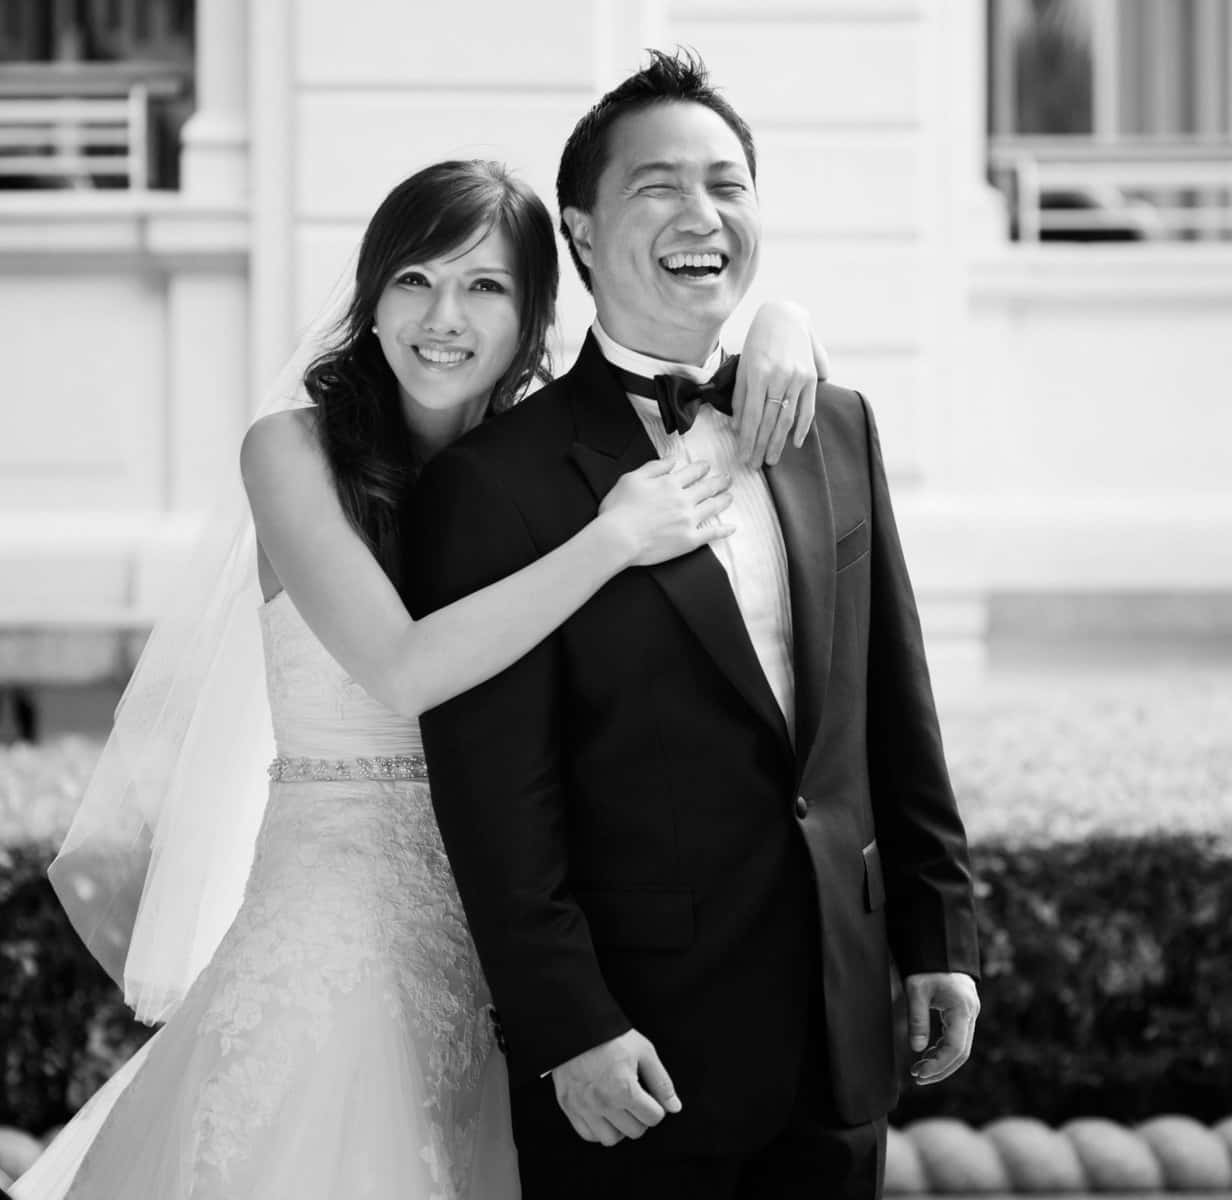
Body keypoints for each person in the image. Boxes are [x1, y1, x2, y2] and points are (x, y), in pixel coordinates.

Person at [14, 158, 826, 1200]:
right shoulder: (291, 448)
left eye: (485, 287)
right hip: (340, 923)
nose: (443, 316)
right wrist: (612, 538)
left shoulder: (536, 457)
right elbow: (399, 669)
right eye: (415, 279)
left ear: (535, 313)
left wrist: (784, 321)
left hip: (504, 939)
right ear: (373, 292)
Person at [405, 51, 981, 1200]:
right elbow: (494, 797)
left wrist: (939, 936)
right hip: (635, 1061)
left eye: (727, 184)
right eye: (658, 186)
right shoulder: (496, 485)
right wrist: (569, 1026)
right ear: (578, 230)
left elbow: (890, 705)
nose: (700, 215)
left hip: (841, 1030)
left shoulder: (838, 426)